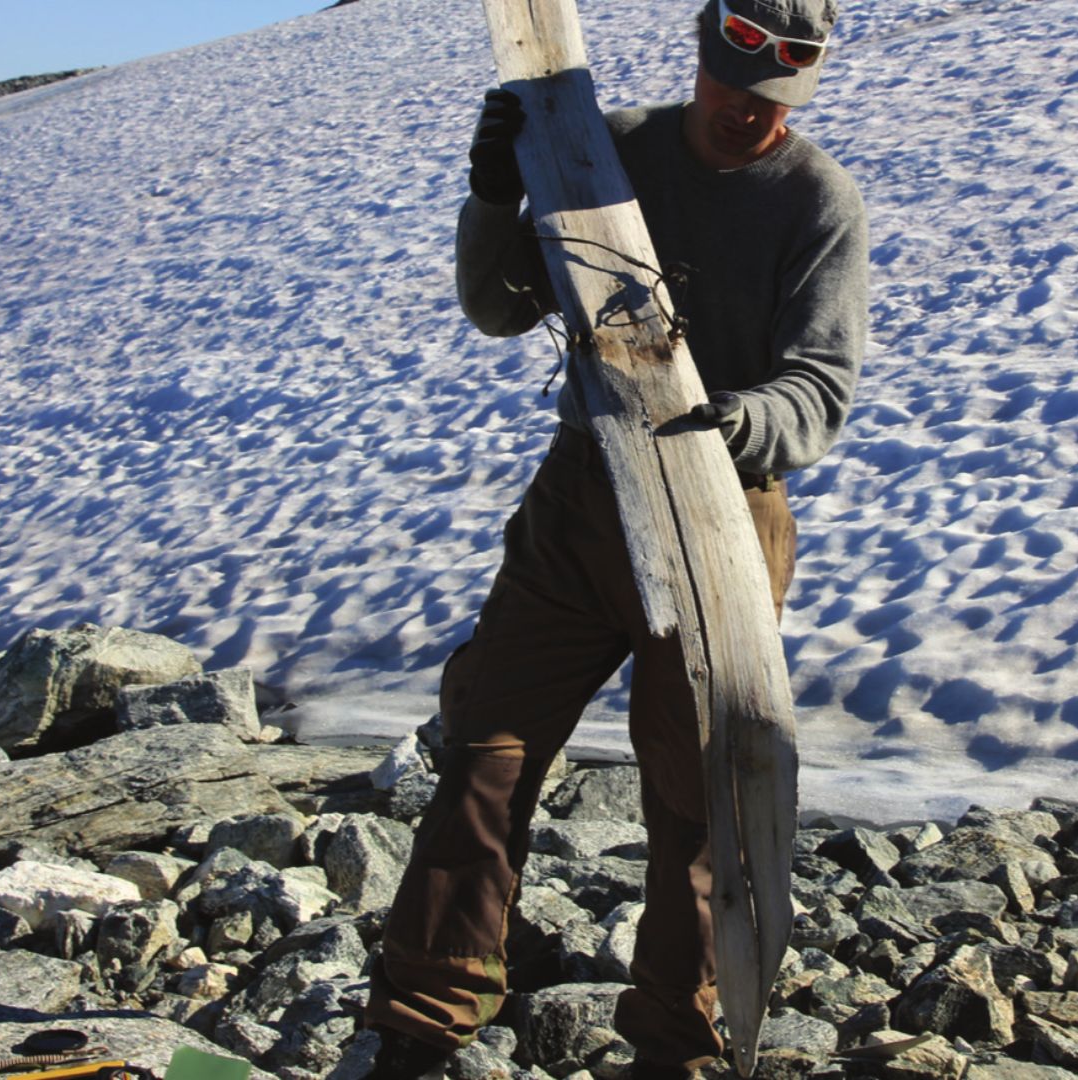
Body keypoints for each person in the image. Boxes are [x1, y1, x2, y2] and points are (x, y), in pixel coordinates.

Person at [364, 0, 867, 1075]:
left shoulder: (817, 201)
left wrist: (741, 422)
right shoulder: (608, 152)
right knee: (486, 745)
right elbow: (501, 308)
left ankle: (676, 1048)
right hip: (582, 497)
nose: (751, 115)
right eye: (736, 90)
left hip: (725, 515)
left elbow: (819, 390)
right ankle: (421, 1021)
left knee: (698, 795)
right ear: (701, 54)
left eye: (777, 100)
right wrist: (499, 196)